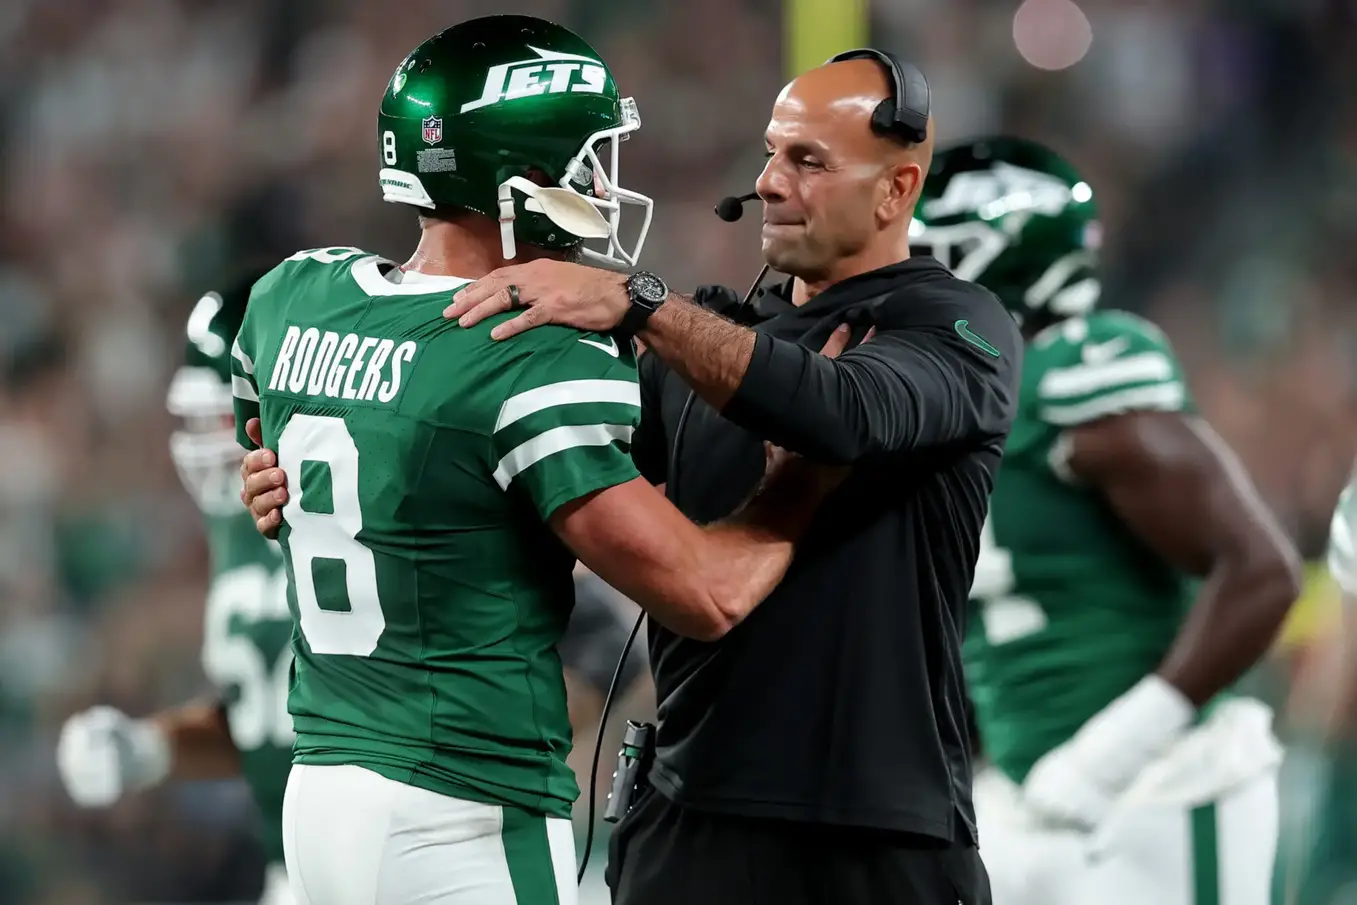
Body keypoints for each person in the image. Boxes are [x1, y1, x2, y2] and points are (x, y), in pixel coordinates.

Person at [229, 15, 846, 905]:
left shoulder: (296, 295)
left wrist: (269, 478)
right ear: (517, 175)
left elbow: (268, 446)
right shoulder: (530, 349)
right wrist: (804, 477)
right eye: (587, 156)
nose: (598, 180)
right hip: (458, 811)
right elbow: (706, 594)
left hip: (322, 787)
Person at [436, 53, 1024, 904]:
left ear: (896, 189)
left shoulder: (956, 324)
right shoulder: (701, 342)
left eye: (807, 161)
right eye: (771, 153)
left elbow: (839, 412)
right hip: (691, 815)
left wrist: (639, 303)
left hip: (874, 831)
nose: (769, 182)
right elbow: (518, 463)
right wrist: (304, 481)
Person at [909, 136, 1301, 905]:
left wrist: (1109, 753)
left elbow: (1262, 573)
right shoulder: (966, 411)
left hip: (1156, 789)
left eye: (931, 254)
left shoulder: (1077, 369)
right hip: (1030, 798)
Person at [56, 267, 296, 905]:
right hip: (298, 872)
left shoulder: (357, 511)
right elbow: (261, 722)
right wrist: (149, 750)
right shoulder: (236, 526)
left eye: (223, 416)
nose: (204, 444)